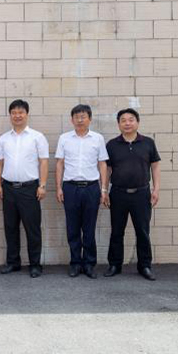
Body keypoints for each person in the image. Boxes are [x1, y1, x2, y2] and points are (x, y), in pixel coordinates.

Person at [104, 108, 161, 281]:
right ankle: (115, 264)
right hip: (118, 193)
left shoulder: (148, 143)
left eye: (131, 120)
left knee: (142, 231)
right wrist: (104, 190)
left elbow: (155, 166)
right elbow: (107, 169)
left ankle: (145, 266)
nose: (127, 123)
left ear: (137, 122)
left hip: (142, 194)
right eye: (123, 120)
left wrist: (156, 189)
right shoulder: (112, 145)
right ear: (118, 124)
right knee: (117, 231)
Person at [0, 99, 49, 278]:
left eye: (21, 112)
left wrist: (42, 185)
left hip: (30, 189)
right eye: (14, 113)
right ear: (10, 115)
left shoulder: (37, 137)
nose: (17, 116)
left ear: (27, 114)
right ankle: (13, 262)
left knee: (32, 228)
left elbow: (43, 161)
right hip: (8, 188)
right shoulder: (4, 138)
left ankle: (35, 264)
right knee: (10, 227)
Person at [55, 104, 109, 279]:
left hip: (91, 188)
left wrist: (103, 189)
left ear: (90, 119)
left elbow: (102, 164)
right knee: (72, 228)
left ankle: (89, 264)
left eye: (83, 116)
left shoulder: (97, 138)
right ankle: (75, 263)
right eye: (76, 117)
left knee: (89, 228)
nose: (80, 120)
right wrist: (59, 187)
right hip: (70, 187)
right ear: (71, 120)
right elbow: (60, 164)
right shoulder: (64, 138)